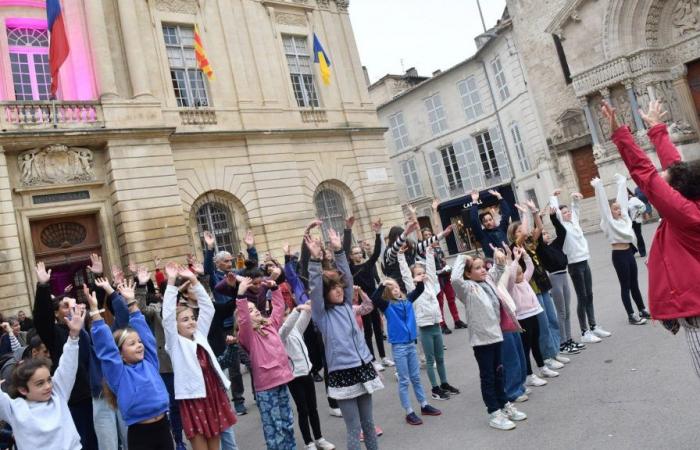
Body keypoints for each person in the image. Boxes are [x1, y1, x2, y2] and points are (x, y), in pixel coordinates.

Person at [602, 99, 700, 377]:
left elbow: (645, 174)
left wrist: (621, 134)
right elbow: (676, 166)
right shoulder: (690, 199)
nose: (663, 172)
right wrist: (657, 129)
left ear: (676, 190)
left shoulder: (685, 213)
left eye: (665, 176)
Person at [307, 229, 383, 450]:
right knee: (354, 428)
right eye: (333, 289)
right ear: (325, 293)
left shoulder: (348, 305)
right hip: (342, 372)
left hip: (362, 366)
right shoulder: (322, 314)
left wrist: (339, 250)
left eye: (339, 286)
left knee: (368, 424)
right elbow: (314, 288)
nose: (339, 290)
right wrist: (314, 259)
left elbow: (348, 278)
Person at [90, 280, 173, 450]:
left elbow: (145, 334)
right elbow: (106, 349)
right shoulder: (118, 374)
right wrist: (96, 314)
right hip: (140, 434)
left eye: (139, 342)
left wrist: (131, 301)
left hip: (163, 427)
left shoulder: (149, 362)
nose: (139, 345)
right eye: (132, 344)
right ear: (120, 353)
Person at [450, 247, 527, 430]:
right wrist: (462, 257)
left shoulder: (488, 281)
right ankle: (494, 412)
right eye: (477, 268)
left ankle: (504, 405)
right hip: (482, 341)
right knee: (488, 377)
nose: (483, 270)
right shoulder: (467, 288)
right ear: (468, 274)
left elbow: (499, 270)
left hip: (497, 335)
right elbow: (454, 278)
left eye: (483, 267)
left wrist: (499, 259)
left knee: (500, 373)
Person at [163, 264, 237, 450]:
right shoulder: (174, 344)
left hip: (212, 395)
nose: (191, 322)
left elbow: (208, 308)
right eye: (185, 320)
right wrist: (171, 282)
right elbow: (167, 316)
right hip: (193, 399)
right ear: (176, 325)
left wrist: (195, 280)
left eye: (192, 318)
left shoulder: (200, 335)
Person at [0, 302, 85, 450]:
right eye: (39, 383)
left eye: (49, 380)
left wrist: (73, 336)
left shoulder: (58, 393)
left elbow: (67, 366)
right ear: (23, 389)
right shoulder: (14, 409)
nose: (48, 386)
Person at [371, 249, 442, 426]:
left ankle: (424, 404)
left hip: (411, 344)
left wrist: (418, 282)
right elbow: (374, 299)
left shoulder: (407, 301)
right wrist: (382, 284)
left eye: (396, 287)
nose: (395, 290)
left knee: (416, 377)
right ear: (387, 293)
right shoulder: (387, 306)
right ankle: (409, 411)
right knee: (404, 380)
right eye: (391, 289)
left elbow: (418, 291)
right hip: (399, 347)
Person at [33, 261, 99, 449]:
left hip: (96, 394)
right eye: (64, 306)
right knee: (83, 442)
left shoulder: (85, 327)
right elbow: (41, 318)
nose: (71, 308)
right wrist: (43, 286)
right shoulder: (55, 333)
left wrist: (97, 277)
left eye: (73, 304)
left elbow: (98, 304)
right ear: (56, 314)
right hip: (74, 398)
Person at [234, 270, 297, 450]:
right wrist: (241, 295)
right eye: (249, 311)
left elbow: (278, 309)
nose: (254, 312)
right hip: (266, 387)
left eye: (255, 309)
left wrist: (275, 288)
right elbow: (245, 319)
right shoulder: (247, 335)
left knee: (287, 424)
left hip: (282, 379)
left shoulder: (270, 325)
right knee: (274, 429)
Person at [203, 229, 257, 415]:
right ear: (218, 263)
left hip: (242, 321)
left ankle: (259, 393)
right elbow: (207, 268)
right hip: (226, 325)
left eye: (230, 261)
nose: (229, 264)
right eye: (225, 261)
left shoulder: (235, 272)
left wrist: (251, 249)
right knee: (234, 366)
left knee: (252, 360)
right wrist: (209, 249)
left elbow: (251, 270)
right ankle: (239, 401)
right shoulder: (215, 276)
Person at [550, 190, 613, 344]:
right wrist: (553, 197)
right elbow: (556, 214)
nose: (568, 214)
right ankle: (585, 331)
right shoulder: (563, 228)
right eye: (564, 213)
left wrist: (575, 199)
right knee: (582, 297)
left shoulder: (574, 222)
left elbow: (576, 209)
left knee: (589, 294)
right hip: (574, 265)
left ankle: (593, 325)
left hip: (584, 260)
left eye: (568, 212)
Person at [398, 246, 460, 401]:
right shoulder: (413, 287)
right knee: (431, 360)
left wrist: (430, 253)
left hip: (436, 326)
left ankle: (444, 384)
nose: (422, 275)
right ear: (413, 277)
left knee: (440, 358)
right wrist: (400, 256)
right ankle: (435, 388)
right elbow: (406, 273)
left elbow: (432, 270)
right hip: (424, 328)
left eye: (423, 273)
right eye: (418, 274)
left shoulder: (431, 284)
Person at [591, 174, 650, 325]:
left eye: (618, 208)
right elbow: (603, 206)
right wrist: (599, 187)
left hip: (629, 252)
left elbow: (623, 202)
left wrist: (622, 183)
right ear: (610, 212)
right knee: (625, 285)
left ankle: (642, 309)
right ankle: (631, 315)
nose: (618, 210)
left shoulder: (625, 220)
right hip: (618, 255)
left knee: (634, 283)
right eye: (615, 209)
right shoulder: (608, 222)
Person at [280, 300, 336, 450]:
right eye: (283, 315)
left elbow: (305, 317)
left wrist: (308, 306)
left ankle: (319, 438)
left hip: (307, 373)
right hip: (294, 378)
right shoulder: (281, 334)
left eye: (287, 314)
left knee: (313, 409)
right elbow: (287, 326)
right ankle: (308, 442)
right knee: (302, 410)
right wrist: (297, 310)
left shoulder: (296, 330)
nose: (286, 317)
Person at [343, 217, 394, 372]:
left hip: (374, 297)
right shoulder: (350, 269)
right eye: (355, 253)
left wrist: (378, 233)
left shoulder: (368, 264)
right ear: (351, 256)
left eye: (360, 253)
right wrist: (348, 229)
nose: (358, 255)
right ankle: (372, 359)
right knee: (368, 331)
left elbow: (377, 252)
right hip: (361, 300)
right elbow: (343, 252)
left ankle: (383, 357)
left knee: (378, 328)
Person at [507, 247, 559, 386]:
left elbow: (530, 267)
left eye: (521, 273)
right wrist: (515, 260)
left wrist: (524, 255)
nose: (520, 276)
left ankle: (542, 367)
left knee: (535, 342)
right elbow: (511, 276)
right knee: (526, 346)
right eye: (517, 274)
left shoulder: (525, 279)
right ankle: (528, 374)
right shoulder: (511, 287)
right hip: (522, 318)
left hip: (533, 313)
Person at [537, 208, 585, 355]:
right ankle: (562, 343)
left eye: (547, 233)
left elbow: (562, 232)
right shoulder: (541, 249)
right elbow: (538, 234)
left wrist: (553, 216)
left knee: (567, 310)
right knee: (561, 311)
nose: (546, 235)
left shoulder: (555, 246)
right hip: (555, 278)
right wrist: (537, 218)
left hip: (564, 277)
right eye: (543, 234)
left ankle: (569, 339)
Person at [420, 199, 468, 334]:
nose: (430, 236)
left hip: (446, 275)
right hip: (436, 278)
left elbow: (437, 228)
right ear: (423, 239)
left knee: (451, 298)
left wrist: (435, 210)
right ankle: (442, 324)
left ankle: (457, 320)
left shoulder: (438, 245)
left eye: (430, 234)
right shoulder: (425, 249)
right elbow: (429, 230)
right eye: (426, 235)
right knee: (440, 301)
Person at [469, 189, 512, 259]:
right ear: (482, 224)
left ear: (493, 220)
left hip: (508, 260)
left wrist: (499, 197)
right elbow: (474, 221)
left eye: (490, 219)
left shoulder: (501, 229)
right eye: (485, 221)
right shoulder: (482, 235)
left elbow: (506, 214)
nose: (488, 222)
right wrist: (474, 201)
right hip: (493, 264)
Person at [628, 191, 648, 257]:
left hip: (635, 220)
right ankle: (632, 250)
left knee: (638, 235)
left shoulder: (633, 200)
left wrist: (638, 213)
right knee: (626, 236)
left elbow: (643, 206)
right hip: (626, 222)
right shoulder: (621, 201)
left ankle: (642, 251)